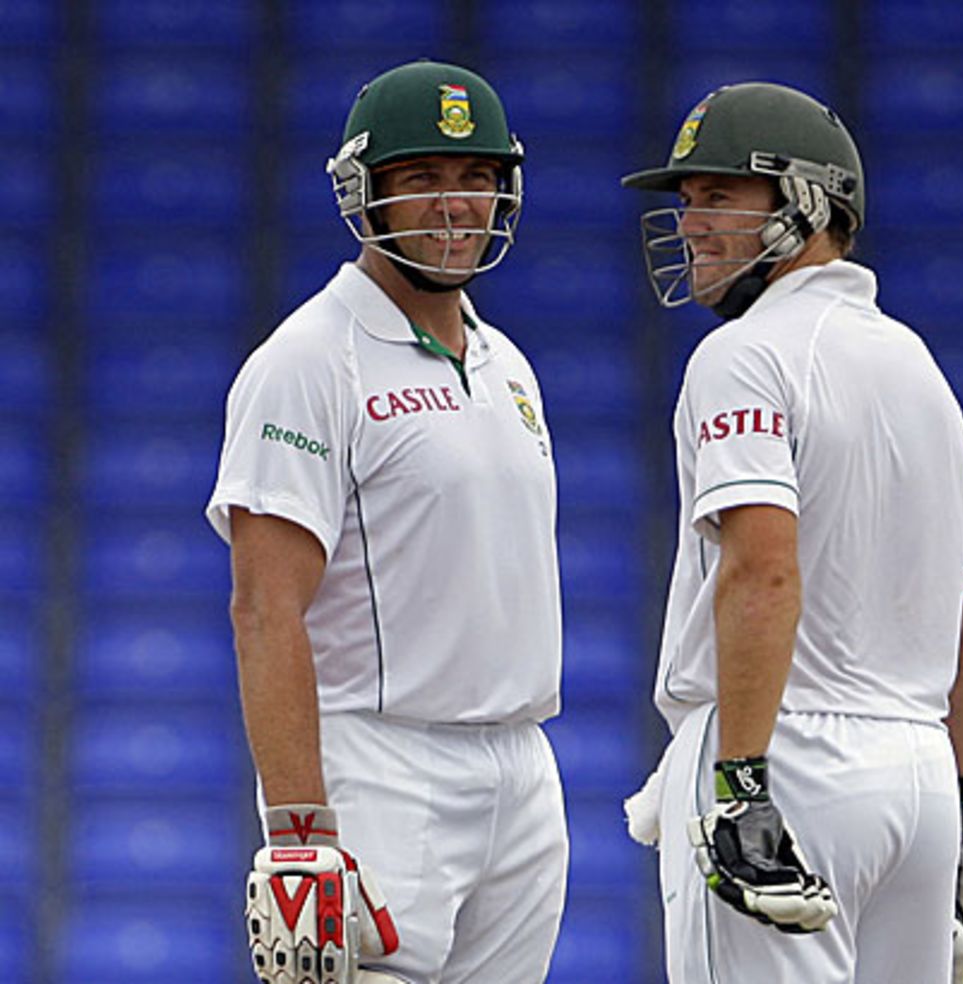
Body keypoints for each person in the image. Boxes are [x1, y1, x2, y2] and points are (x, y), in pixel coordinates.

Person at [619, 82, 963, 983]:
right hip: (918, 776)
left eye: (720, 195)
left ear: (807, 203)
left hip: (785, 760)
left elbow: (762, 572)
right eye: (686, 200)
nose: (691, 222)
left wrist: (741, 784)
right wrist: (958, 807)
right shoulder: (919, 368)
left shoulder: (742, 355)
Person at [206, 60, 567, 984]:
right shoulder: (307, 362)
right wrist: (298, 832)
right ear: (364, 198)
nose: (455, 205)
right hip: (382, 764)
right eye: (423, 180)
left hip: (522, 767)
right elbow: (263, 608)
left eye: (477, 178)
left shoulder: (509, 364)